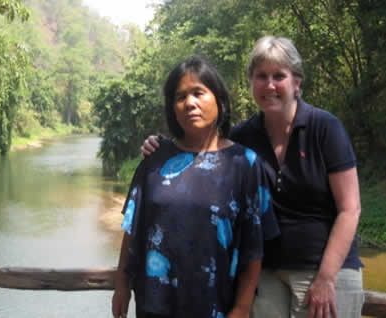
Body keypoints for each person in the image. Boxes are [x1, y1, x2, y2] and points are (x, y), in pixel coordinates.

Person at [140, 36, 364, 318]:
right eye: (261, 77)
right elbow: (201, 149)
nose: (269, 85)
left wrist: (326, 278)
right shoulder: (243, 138)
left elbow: (350, 209)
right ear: (251, 84)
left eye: (278, 76)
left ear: (297, 83)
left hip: (327, 272)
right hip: (266, 275)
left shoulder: (325, 128)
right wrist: (159, 148)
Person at [112, 56, 279, 318]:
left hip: (217, 306)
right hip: (155, 305)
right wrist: (121, 284)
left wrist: (242, 306)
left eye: (199, 93)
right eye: (180, 97)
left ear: (219, 101)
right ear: (173, 109)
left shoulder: (244, 164)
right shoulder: (154, 161)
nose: (190, 103)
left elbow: (254, 247)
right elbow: (132, 229)